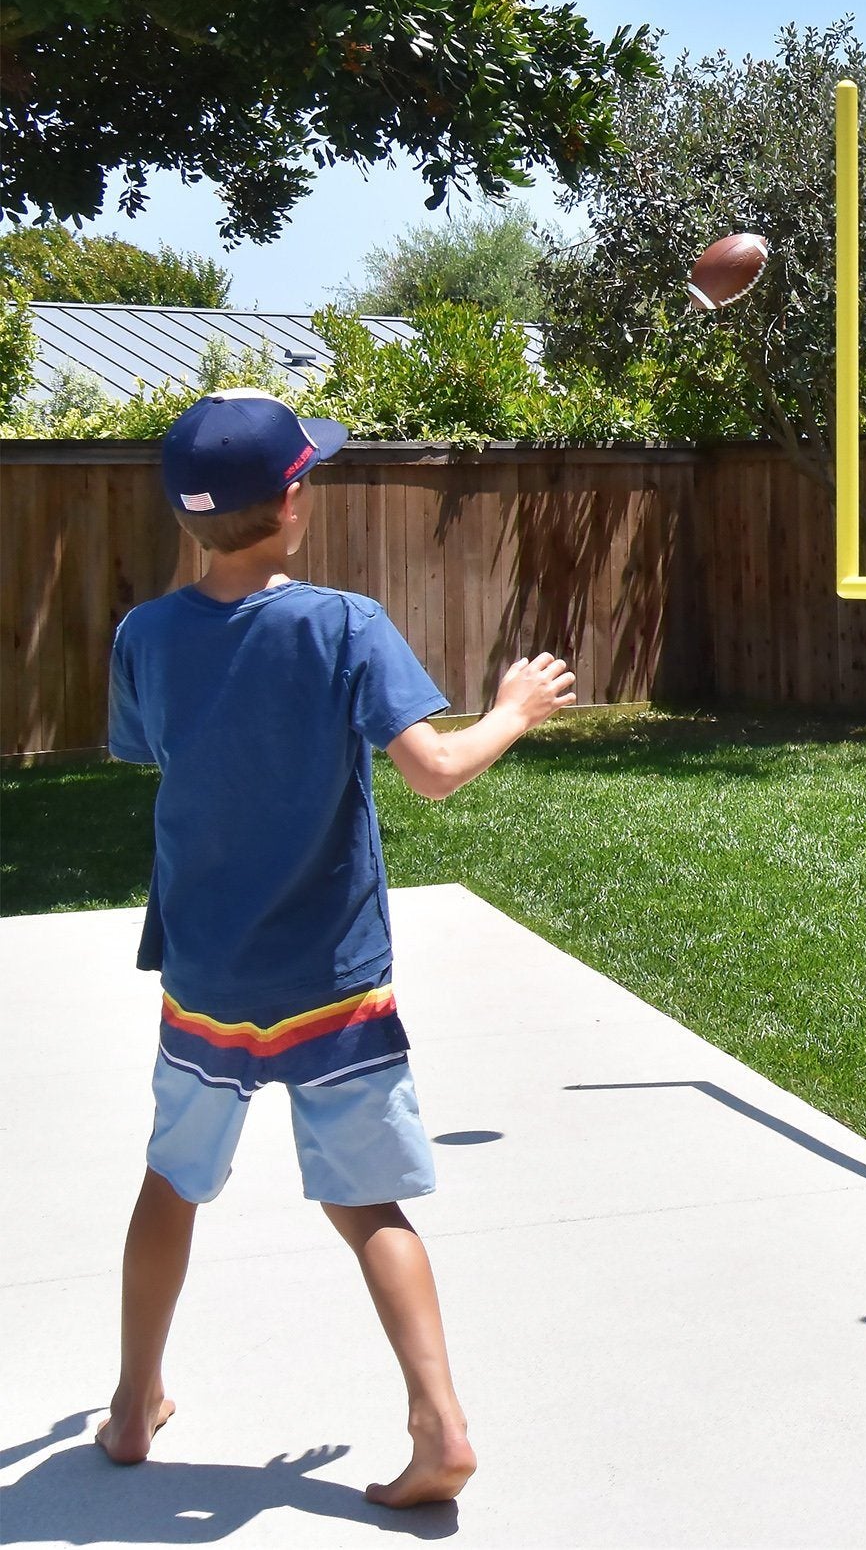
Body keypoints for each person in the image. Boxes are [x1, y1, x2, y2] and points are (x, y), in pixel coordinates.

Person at [97, 388, 575, 1505]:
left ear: (185, 516)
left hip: (209, 979)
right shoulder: (344, 624)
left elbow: (159, 750)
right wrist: (514, 708)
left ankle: (130, 1406)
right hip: (333, 982)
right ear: (294, 504)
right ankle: (440, 1427)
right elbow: (435, 772)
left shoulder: (144, 636)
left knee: (171, 1183)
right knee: (367, 1209)